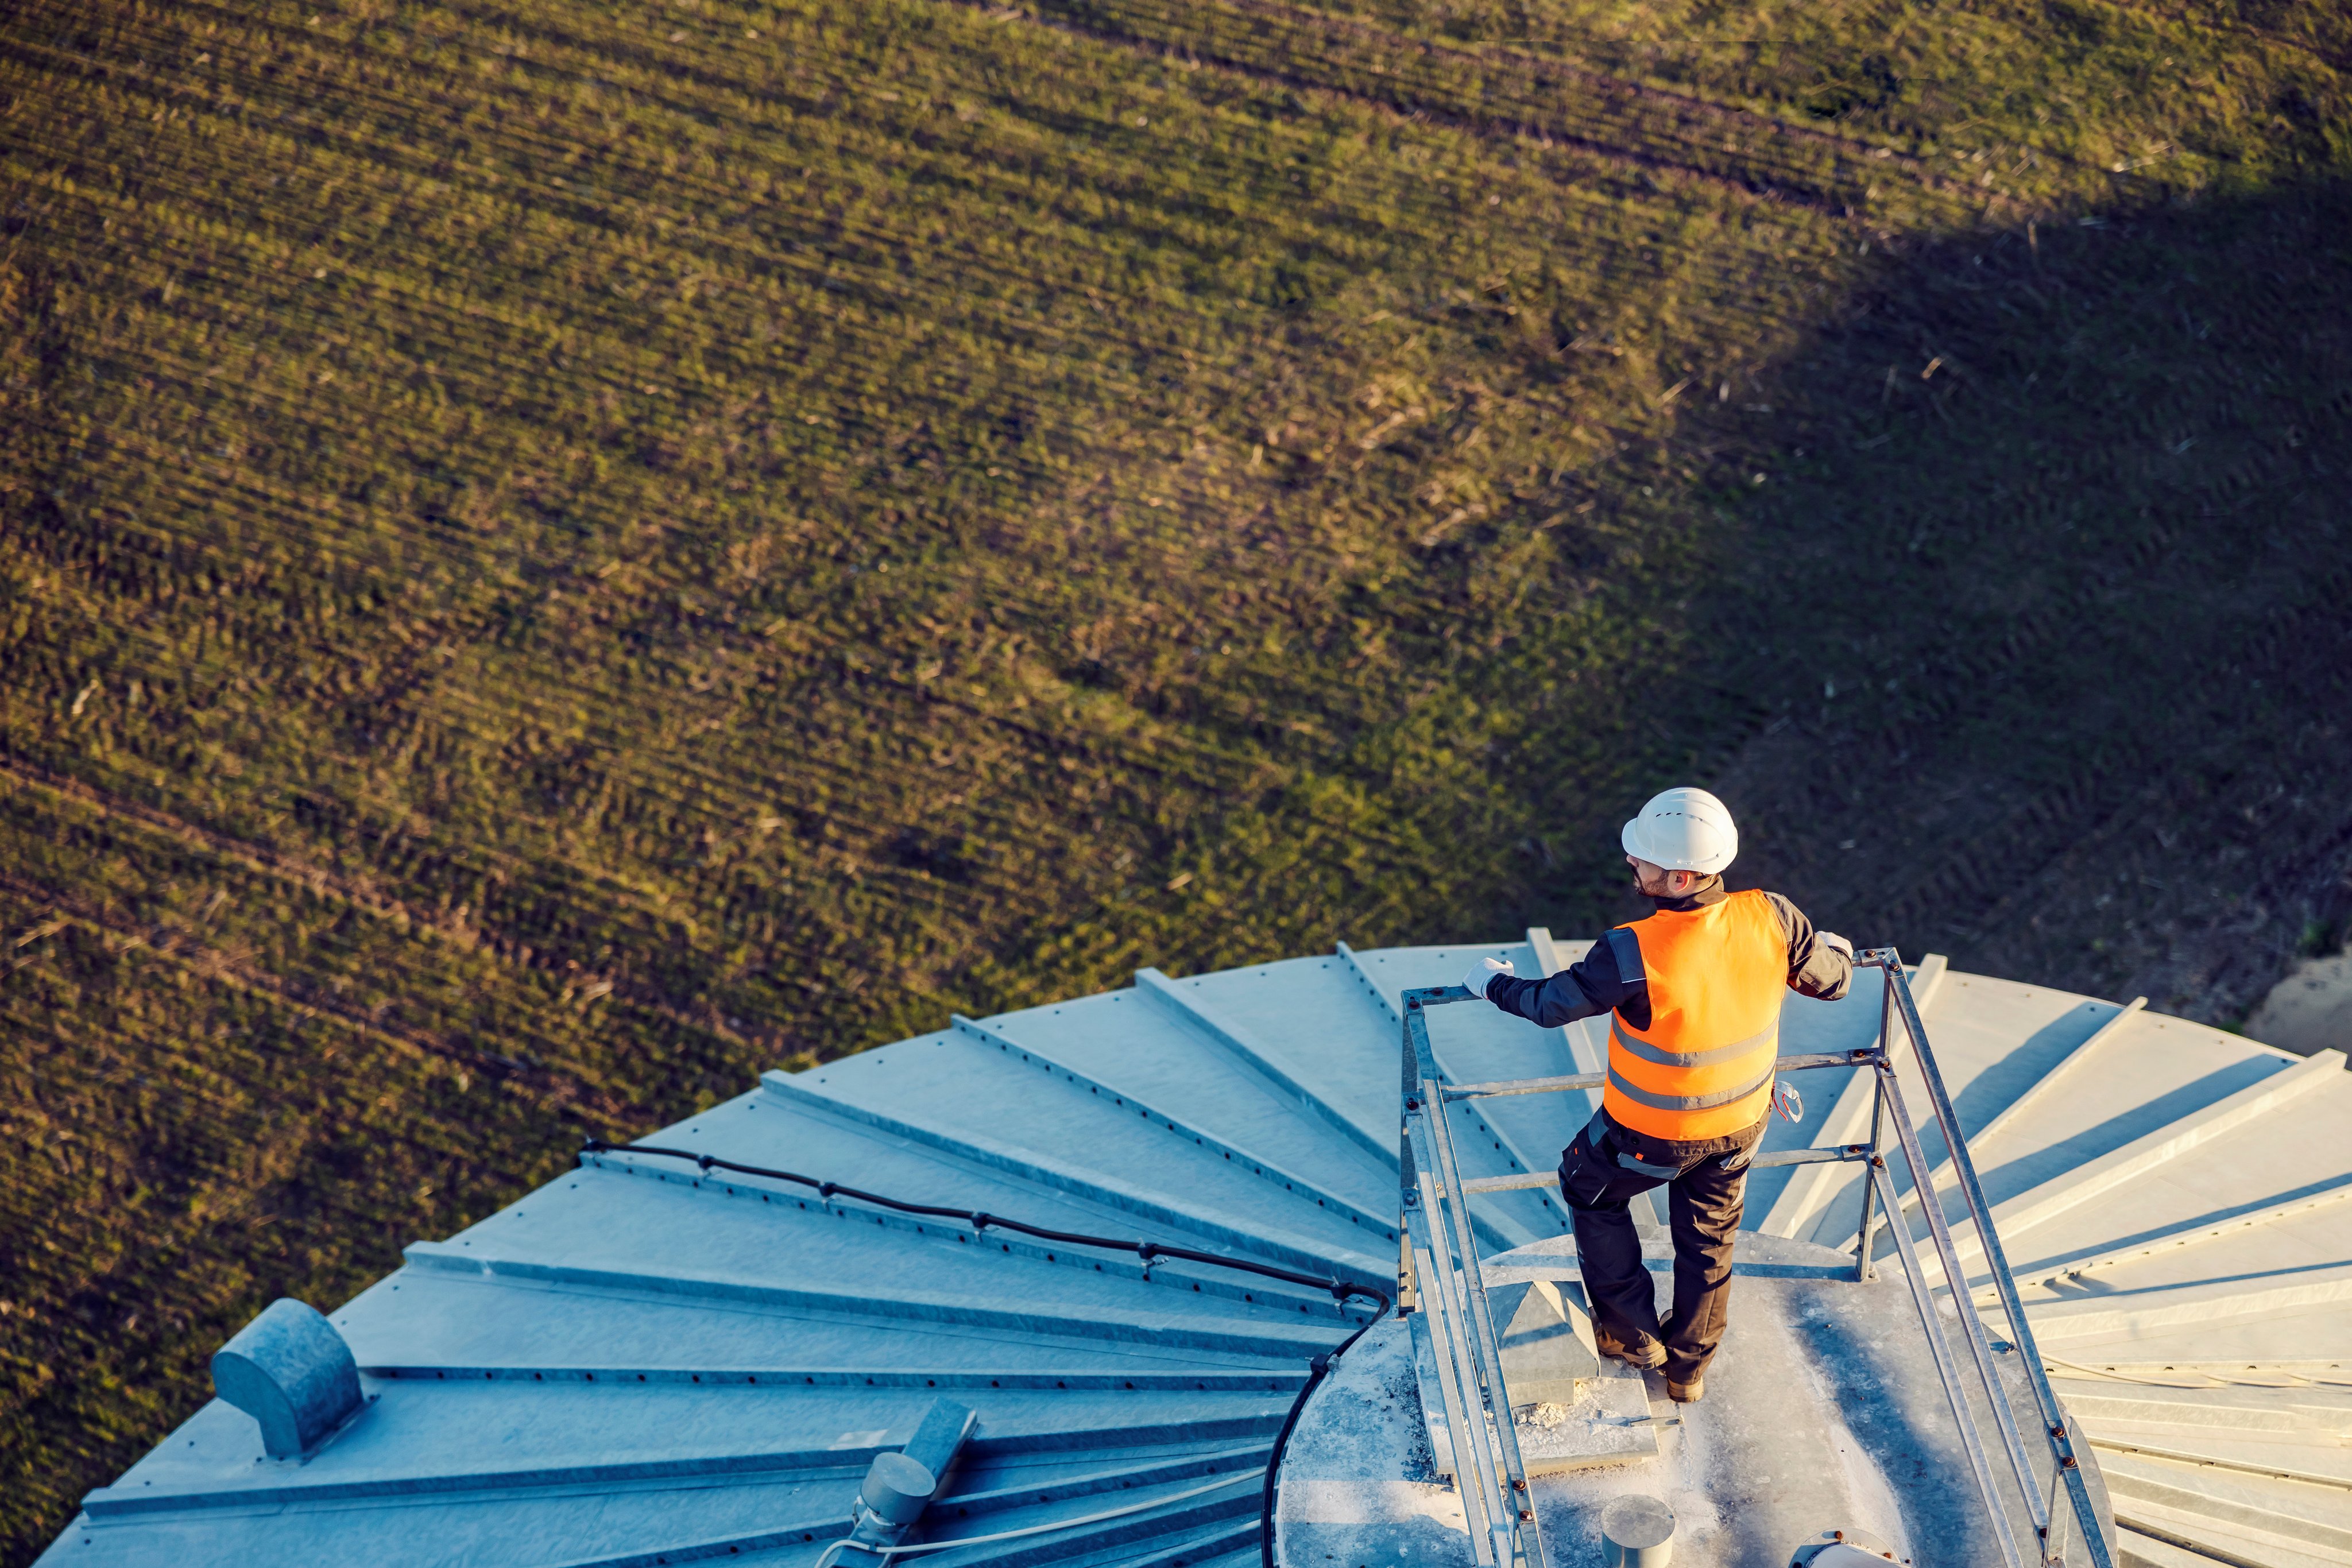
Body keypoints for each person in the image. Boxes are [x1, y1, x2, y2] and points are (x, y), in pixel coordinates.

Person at [1459, 786, 1853, 1403]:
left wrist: (1490, 986)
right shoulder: (1773, 915)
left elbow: (1549, 1004)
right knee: (1708, 1239)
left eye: (1639, 860)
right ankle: (1688, 1370)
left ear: (1678, 876)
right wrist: (1838, 951)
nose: (1631, 867)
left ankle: (1631, 1335)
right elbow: (1831, 982)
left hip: (1647, 1133)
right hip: (1740, 1126)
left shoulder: (1631, 949)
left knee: (1586, 1189)